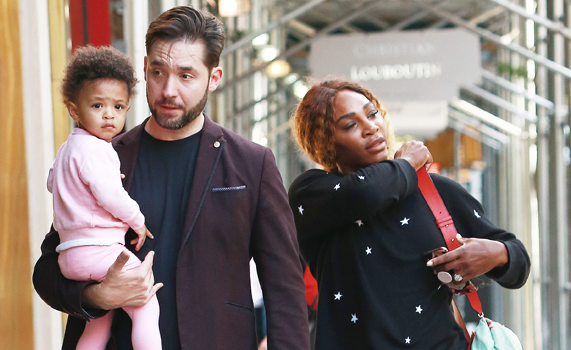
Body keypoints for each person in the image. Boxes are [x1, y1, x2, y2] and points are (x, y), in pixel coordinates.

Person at [33, 6, 310, 350]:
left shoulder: (252, 164)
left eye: (186, 75)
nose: (168, 90)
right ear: (146, 69)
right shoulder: (102, 157)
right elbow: (47, 270)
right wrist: (98, 295)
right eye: (159, 72)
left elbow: (284, 285)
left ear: (214, 77)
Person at [288, 79, 531, 349]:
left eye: (372, 113)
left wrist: (495, 254)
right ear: (324, 142)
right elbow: (367, 193)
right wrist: (406, 163)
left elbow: (519, 262)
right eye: (351, 125)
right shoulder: (313, 194)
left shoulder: (434, 191)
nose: (371, 127)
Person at [48, 45, 162, 350]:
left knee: (99, 322)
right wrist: (138, 221)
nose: (109, 115)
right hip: (99, 252)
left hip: (70, 255)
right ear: (74, 110)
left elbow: (52, 182)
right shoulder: (96, 149)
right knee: (146, 306)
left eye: (118, 107)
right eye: (97, 106)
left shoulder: (68, 148)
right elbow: (112, 197)